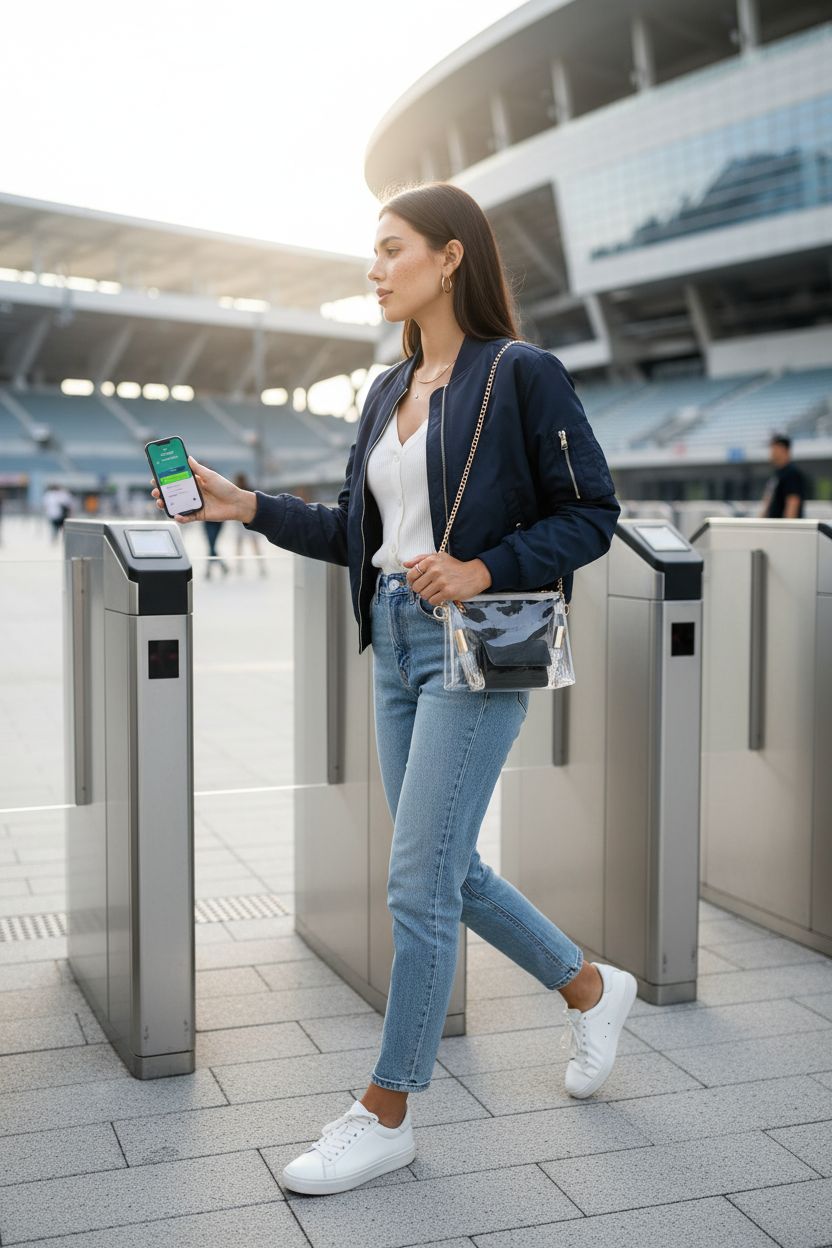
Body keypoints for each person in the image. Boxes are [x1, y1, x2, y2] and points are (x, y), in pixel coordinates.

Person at [150, 182, 637, 1196]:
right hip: (396, 640)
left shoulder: (521, 373)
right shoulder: (387, 390)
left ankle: (387, 1112)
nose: (373, 269)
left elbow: (591, 513)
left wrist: (482, 568)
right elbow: (355, 532)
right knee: (447, 869)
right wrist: (245, 506)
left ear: (450, 257)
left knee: (416, 881)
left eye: (391, 248)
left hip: (475, 642)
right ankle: (591, 988)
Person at [760, 434, 808, 519]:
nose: (771, 452)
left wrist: (788, 525)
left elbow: (793, 502)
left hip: (782, 525)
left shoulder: (791, 473)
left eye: (773, 448)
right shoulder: (777, 474)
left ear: (782, 449)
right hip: (774, 524)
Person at [232, 471, 266, 575]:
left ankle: (260, 566)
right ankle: (240, 565)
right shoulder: (240, 490)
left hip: (248, 520)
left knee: (252, 544)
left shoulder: (241, 490)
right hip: (243, 521)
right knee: (242, 544)